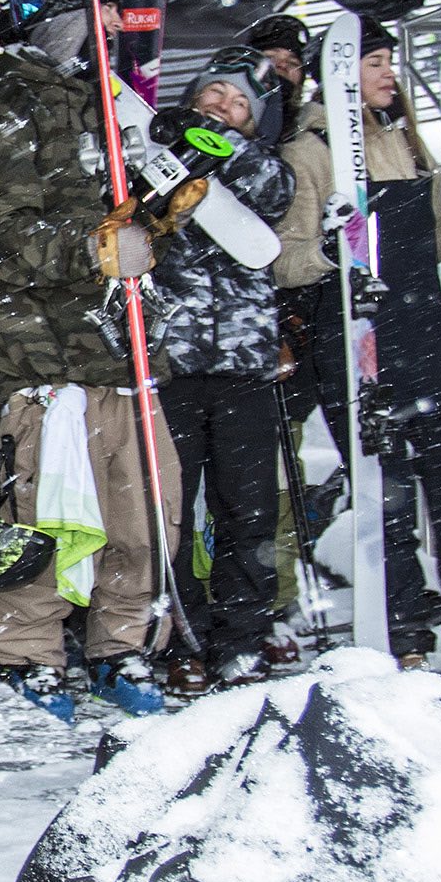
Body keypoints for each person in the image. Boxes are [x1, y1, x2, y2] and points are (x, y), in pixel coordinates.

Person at [0, 0, 182, 724]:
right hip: (43, 354)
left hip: (117, 348)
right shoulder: (15, 108)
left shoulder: (112, 112)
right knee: (47, 518)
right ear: (61, 21)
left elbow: (124, 229)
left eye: (117, 13)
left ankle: (121, 647)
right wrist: (88, 247)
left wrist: (159, 221)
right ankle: (24, 651)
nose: (113, 26)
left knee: (144, 514)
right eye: (99, 12)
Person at [276, 17, 441, 670]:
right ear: (340, 73)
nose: (390, 72)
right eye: (376, 62)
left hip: (426, 327)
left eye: (391, 60)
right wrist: (334, 252)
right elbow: (283, 259)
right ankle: (408, 633)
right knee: (386, 492)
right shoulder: (310, 149)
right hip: (356, 338)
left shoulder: (405, 140)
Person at [147, 48, 294, 694]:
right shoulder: (160, 147)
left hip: (243, 367)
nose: (223, 108)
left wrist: (224, 147)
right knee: (169, 513)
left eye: (238, 104)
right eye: (215, 95)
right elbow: (132, 207)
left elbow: (277, 196)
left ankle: (241, 639)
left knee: (248, 511)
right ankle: (182, 637)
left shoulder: (259, 165)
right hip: (171, 363)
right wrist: (181, 148)